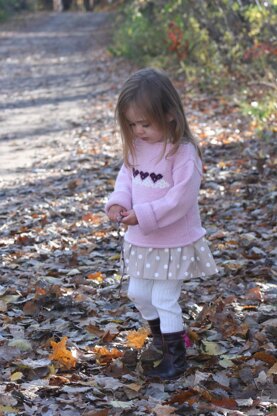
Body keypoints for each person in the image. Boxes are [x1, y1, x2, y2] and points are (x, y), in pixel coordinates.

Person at [105, 67, 218, 379]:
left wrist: (144, 214)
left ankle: (176, 359)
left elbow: (180, 200)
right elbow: (126, 179)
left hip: (173, 242)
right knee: (138, 294)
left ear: (169, 114)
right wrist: (119, 203)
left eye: (145, 123)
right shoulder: (138, 147)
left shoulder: (182, 153)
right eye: (132, 124)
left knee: (163, 298)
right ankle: (162, 338)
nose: (139, 130)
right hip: (142, 240)